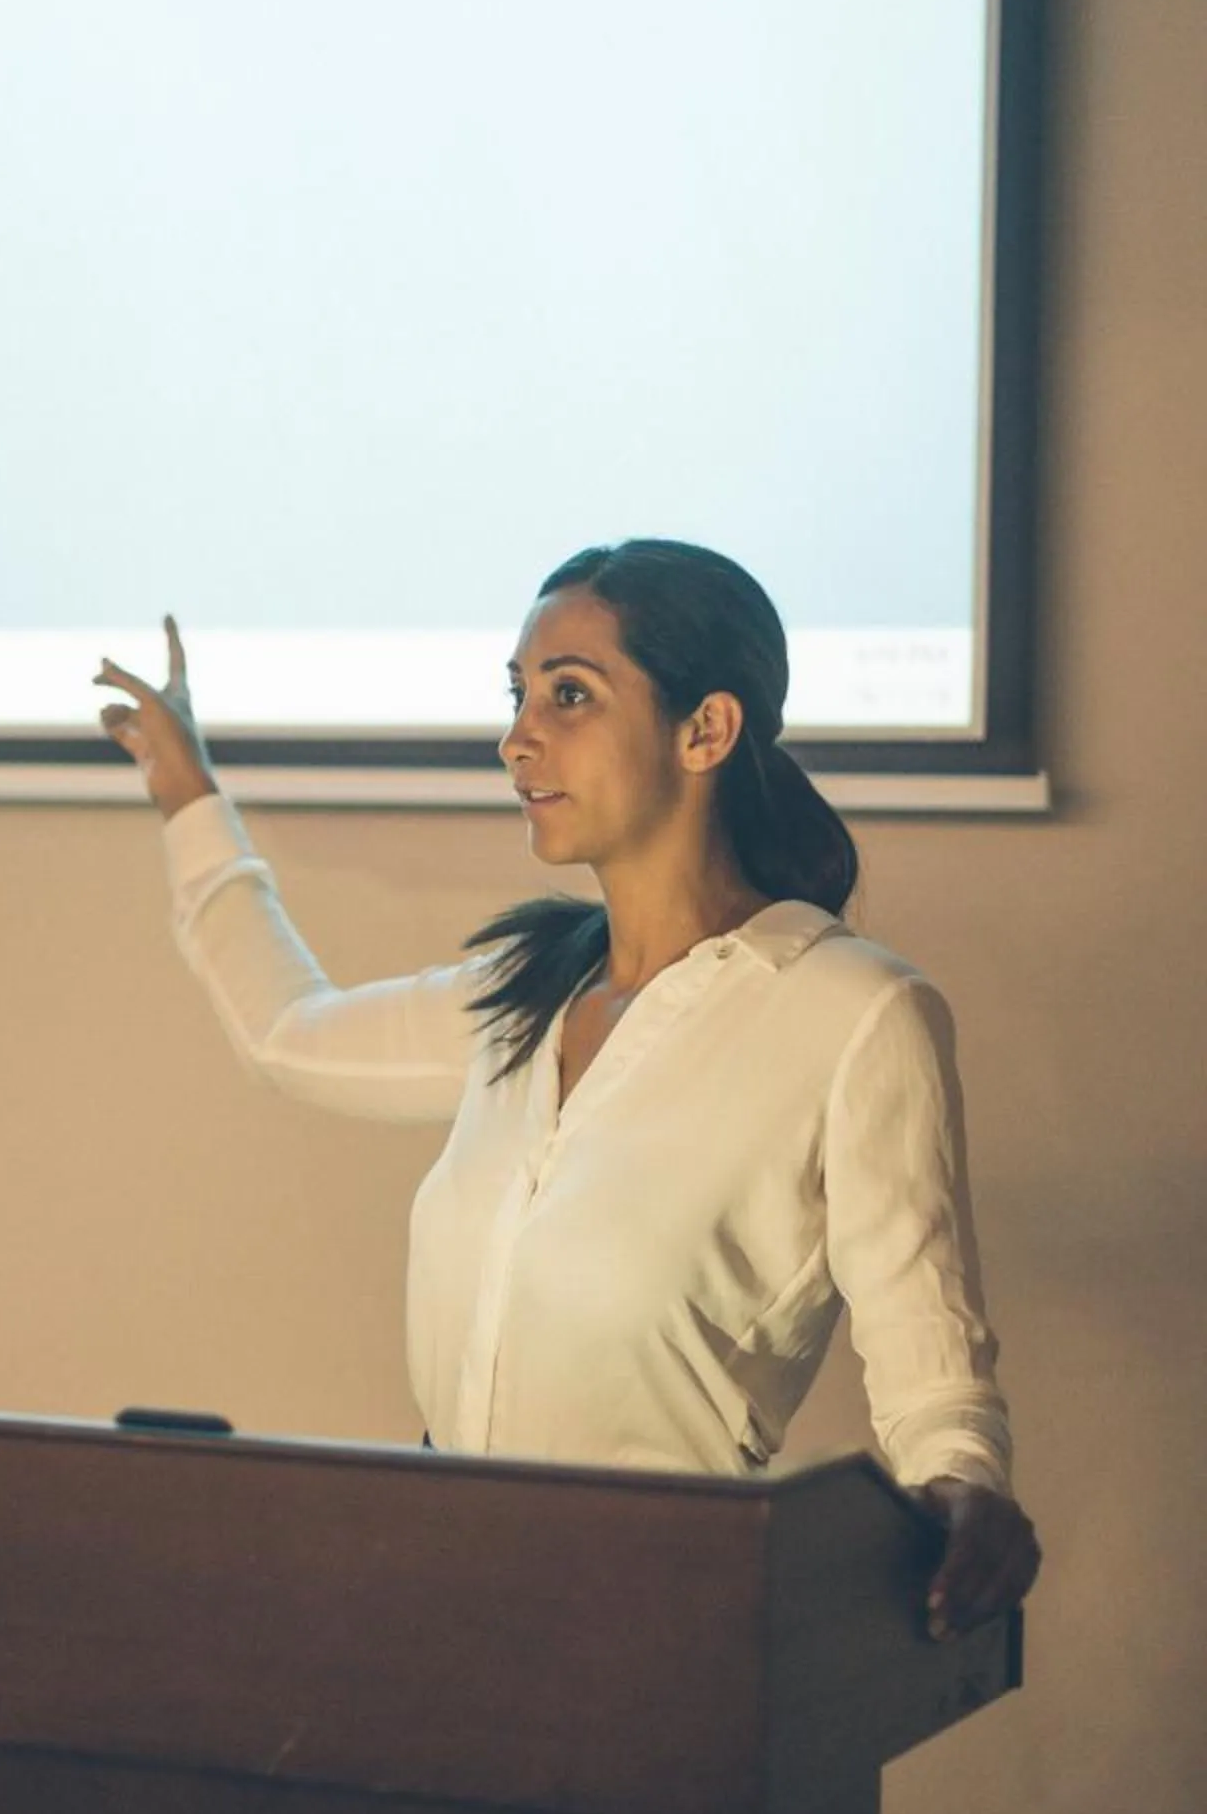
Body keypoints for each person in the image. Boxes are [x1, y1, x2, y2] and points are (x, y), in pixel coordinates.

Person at [95, 542, 1041, 1640]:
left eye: (569, 696)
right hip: (433, 1597)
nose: (516, 738)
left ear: (706, 730)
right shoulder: (522, 991)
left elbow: (935, 1387)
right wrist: (183, 789)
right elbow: (287, 1036)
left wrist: (965, 1488)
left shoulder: (854, 1013)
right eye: (517, 696)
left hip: (668, 1624)